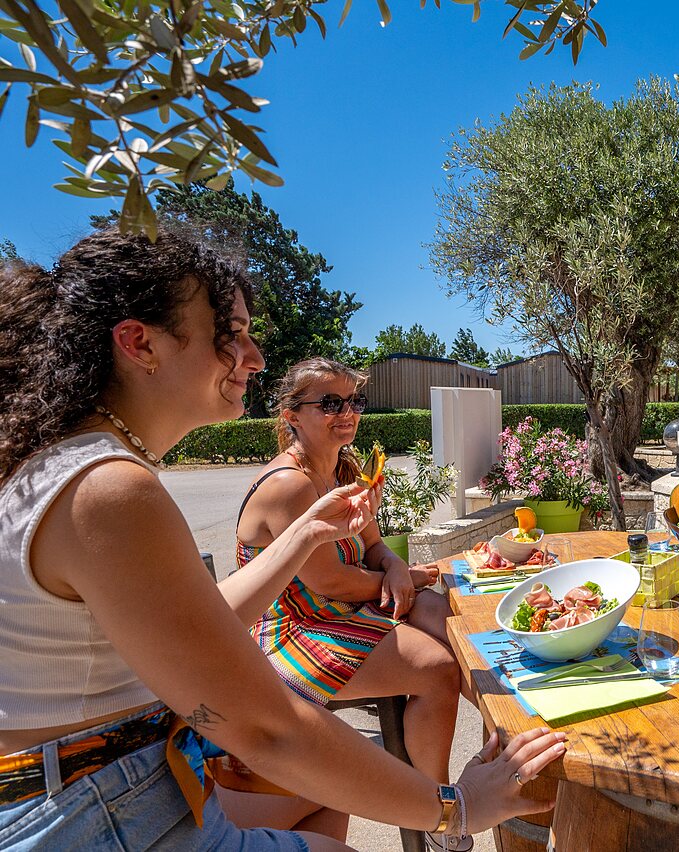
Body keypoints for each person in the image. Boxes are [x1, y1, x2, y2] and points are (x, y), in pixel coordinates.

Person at [0, 228, 563, 851]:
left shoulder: (62, 465)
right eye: (231, 334)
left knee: (331, 817)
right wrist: (456, 808)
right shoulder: (106, 488)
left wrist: (304, 535)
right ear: (141, 343)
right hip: (92, 810)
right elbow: (266, 728)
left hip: (107, 790)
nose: (255, 357)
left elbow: (205, 620)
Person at [234, 358, 461, 803]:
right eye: (331, 403)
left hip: (342, 608)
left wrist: (396, 569)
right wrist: (406, 579)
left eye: (354, 400)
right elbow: (330, 583)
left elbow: (374, 546)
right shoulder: (289, 485)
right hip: (295, 630)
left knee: (451, 620)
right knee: (438, 669)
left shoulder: (344, 470)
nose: (348, 412)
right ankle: (439, 806)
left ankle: (508, 734)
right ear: (291, 415)